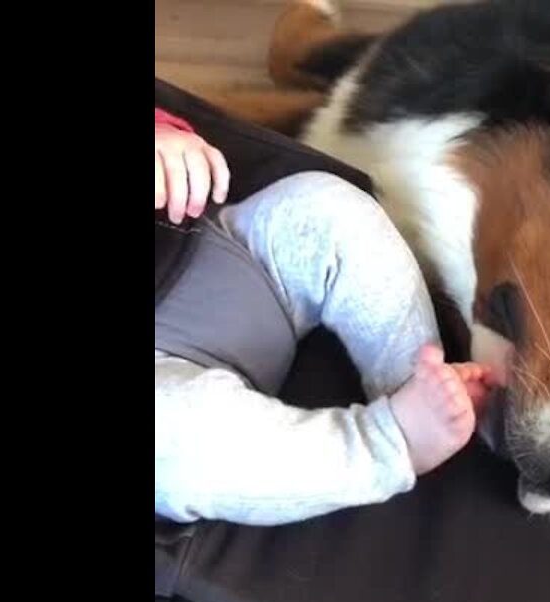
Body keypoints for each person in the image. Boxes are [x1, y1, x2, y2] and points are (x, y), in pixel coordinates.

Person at [154, 107, 495, 526]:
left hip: (227, 252)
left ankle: (414, 379)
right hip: (168, 381)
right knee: (176, 446)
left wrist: (167, 138)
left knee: (326, 206)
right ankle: (390, 442)